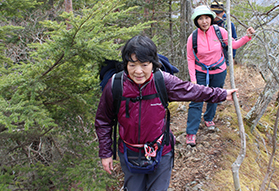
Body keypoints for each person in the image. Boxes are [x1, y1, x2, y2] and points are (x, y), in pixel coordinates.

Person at [95, 35, 238, 191]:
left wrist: (222, 94)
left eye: (144, 64)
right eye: (132, 65)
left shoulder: (162, 81)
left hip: (161, 151)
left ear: (153, 63)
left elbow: (192, 90)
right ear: (125, 64)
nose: (138, 71)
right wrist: (106, 153)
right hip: (129, 153)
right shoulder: (115, 85)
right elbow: (103, 121)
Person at [186, 5, 255, 146]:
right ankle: (191, 133)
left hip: (219, 70)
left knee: (215, 95)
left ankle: (209, 118)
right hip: (200, 72)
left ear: (211, 19)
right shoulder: (192, 38)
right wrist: (193, 79)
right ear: (196, 21)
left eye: (206, 18)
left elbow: (233, 45)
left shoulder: (220, 32)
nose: (204, 21)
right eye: (201, 19)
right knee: (196, 100)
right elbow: (190, 58)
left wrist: (247, 37)